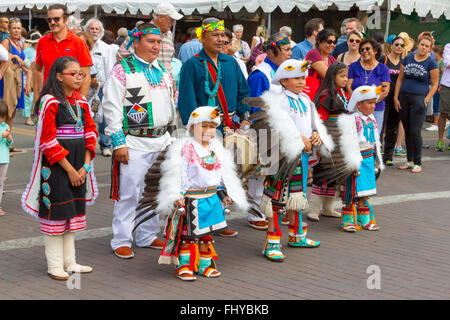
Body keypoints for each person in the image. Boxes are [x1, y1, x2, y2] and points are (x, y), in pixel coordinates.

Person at [102, 22, 177, 259]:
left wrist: (170, 138)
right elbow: (111, 107)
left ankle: (147, 234)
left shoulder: (163, 71)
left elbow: (170, 105)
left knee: (154, 190)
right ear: (136, 42)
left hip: (161, 139)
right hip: (134, 141)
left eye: (158, 42)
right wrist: (118, 142)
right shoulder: (123, 70)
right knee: (130, 192)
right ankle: (122, 238)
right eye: (150, 41)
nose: (156, 46)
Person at [22, 56, 98, 280]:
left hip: (78, 164)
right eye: (72, 73)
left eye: (81, 73)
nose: (78, 77)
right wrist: (70, 170)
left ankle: (70, 262)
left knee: (72, 212)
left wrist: (84, 166)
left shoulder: (81, 102)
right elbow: (47, 140)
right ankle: (54, 264)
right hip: (57, 166)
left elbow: (90, 133)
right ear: (58, 76)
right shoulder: (50, 101)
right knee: (56, 212)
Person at [152, 106, 249, 280]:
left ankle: (205, 265)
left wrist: (225, 194)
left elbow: (222, 176)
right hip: (191, 199)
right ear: (191, 127)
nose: (208, 130)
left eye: (212, 126)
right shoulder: (186, 148)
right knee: (188, 237)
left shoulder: (216, 149)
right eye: (203, 126)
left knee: (206, 236)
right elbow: (179, 175)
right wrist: (177, 195)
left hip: (211, 199)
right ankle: (184, 266)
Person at [258, 59, 332, 261]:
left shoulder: (307, 100)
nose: (302, 81)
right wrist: (295, 136)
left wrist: (317, 135)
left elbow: (313, 123)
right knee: (276, 198)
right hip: (282, 157)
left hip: (302, 156)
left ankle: (297, 235)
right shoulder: (277, 100)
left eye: (303, 77)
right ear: (283, 81)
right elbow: (273, 126)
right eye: (297, 78)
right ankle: (272, 241)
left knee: (296, 196)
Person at [246, 32, 292, 230]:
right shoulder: (261, 74)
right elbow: (256, 106)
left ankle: (269, 208)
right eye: (287, 49)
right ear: (273, 50)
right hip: (264, 129)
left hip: (280, 128)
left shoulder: (282, 71)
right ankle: (254, 211)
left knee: (273, 173)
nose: (290, 52)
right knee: (259, 172)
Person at [178, 18, 251, 127]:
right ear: (202, 38)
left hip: (228, 127)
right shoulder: (192, 65)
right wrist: (196, 128)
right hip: (203, 128)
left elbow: (243, 93)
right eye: (215, 35)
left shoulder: (231, 62)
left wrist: (245, 118)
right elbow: (186, 101)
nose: (220, 39)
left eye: (222, 35)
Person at [308, 62, 351, 221]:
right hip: (328, 138)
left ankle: (328, 208)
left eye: (346, 76)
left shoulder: (343, 94)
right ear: (332, 77)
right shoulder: (326, 94)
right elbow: (320, 119)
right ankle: (314, 208)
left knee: (334, 173)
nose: (345, 79)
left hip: (340, 139)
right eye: (342, 76)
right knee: (322, 172)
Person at [340, 85, 383, 232]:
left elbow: (375, 140)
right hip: (356, 160)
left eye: (374, 103)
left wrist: (377, 159)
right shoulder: (353, 119)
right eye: (369, 103)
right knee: (352, 190)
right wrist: (353, 161)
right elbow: (348, 142)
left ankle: (364, 219)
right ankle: (348, 220)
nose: (372, 106)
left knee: (366, 191)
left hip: (369, 159)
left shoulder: (371, 119)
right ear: (358, 104)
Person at [394, 32, 439, 173]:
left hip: (419, 99)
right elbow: (400, 79)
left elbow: (435, 83)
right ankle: (410, 160)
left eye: (427, 46)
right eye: (422, 45)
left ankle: (418, 162)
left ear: (430, 49)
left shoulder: (431, 62)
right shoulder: (407, 59)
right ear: (417, 45)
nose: (423, 48)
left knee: (415, 130)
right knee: (407, 130)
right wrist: (396, 97)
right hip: (404, 97)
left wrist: (427, 98)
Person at [33, 4, 92, 107]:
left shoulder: (78, 43)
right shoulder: (42, 42)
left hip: (72, 102)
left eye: (56, 19)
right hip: (49, 100)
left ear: (66, 19)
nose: (52, 23)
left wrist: (81, 103)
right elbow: (37, 69)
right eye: (49, 20)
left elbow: (86, 76)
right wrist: (37, 98)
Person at [117, 3, 183, 76]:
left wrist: (171, 78)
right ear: (161, 17)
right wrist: (133, 77)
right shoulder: (140, 32)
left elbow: (168, 62)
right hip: (145, 83)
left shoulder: (169, 35)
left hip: (166, 83)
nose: (173, 23)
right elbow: (120, 56)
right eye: (171, 20)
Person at [84, 18, 116, 158]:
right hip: (84, 86)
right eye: (91, 28)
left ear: (101, 32)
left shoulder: (106, 48)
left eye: (97, 29)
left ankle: (105, 145)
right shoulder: (82, 44)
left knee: (102, 118)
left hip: (100, 88)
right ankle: (85, 143)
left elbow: (110, 68)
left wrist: (105, 85)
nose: (94, 31)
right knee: (85, 116)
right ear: (87, 30)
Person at [347, 39, 390, 133]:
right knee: (355, 136)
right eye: (361, 50)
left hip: (376, 108)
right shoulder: (353, 66)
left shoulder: (383, 68)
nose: (364, 51)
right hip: (357, 108)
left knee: (373, 137)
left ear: (375, 51)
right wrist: (358, 103)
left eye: (367, 48)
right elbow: (349, 86)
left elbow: (385, 90)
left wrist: (370, 104)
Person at [0, 17, 26, 147]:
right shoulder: (6, 41)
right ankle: (3, 144)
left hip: (18, 78)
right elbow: (2, 59)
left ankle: (8, 143)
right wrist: (14, 56)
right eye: (14, 28)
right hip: (7, 79)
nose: (16, 30)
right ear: (9, 30)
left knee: (13, 112)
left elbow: (23, 64)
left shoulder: (21, 42)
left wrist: (27, 83)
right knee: (5, 111)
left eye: (18, 28)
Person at [381, 36, 405, 166]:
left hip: (397, 99)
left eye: (402, 45)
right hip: (383, 98)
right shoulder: (383, 59)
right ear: (391, 45)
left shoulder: (404, 61)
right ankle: (376, 155)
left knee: (393, 128)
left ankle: (388, 156)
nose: (399, 47)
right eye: (397, 44)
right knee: (380, 127)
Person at [303, 28, 338, 100]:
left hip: (324, 98)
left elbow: (339, 76)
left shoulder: (332, 59)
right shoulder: (313, 53)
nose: (332, 45)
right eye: (329, 42)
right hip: (313, 97)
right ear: (319, 41)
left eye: (334, 42)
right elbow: (328, 76)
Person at [23, 31, 42, 126]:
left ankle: (37, 116)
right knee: (29, 98)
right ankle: (27, 117)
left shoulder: (40, 50)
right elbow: (22, 63)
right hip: (28, 76)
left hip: (38, 76)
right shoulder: (27, 50)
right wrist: (27, 70)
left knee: (38, 97)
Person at [426, 45, 445, 132]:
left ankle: (436, 124)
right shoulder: (436, 61)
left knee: (436, 105)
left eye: (433, 52)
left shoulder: (441, 62)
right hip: (436, 86)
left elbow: (444, 75)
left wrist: (440, 86)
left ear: (437, 53)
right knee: (435, 104)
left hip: (438, 86)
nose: (432, 54)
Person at [435, 43, 450, 151]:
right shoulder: (448, 47)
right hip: (447, 85)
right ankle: (440, 140)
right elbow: (448, 64)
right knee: (443, 113)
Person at [0, 99, 12, 216]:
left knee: (1, 184)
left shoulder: (6, 126)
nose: (1, 120)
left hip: (4, 159)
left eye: (2, 117)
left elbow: (9, 143)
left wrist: (9, 139)